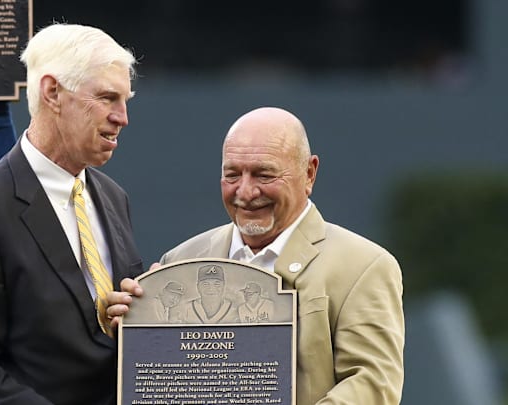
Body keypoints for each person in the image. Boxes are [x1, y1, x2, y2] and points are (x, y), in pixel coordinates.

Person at [108, 107, 405, 404]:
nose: (246, 192)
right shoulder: (181, 261)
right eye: (232, 175)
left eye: (264, 174)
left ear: (309, 173)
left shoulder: (364, 266)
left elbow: (373, 384)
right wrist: (132, 331)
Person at [0, 23, 144, 405]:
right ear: (52, 92)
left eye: (125, 99)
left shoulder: (113, 197)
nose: (122, 117)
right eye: (108, 97)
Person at [174, 263, 239, 323]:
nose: (211, 288)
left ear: (223, 286)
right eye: (205, 284)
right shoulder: (185, 309)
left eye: (217, 284)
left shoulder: (235, 311)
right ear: (198, 287)